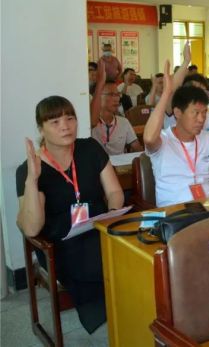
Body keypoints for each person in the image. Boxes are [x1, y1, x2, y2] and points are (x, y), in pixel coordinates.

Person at [16, 96, 124, 333]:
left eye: (70, 118)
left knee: (130, 253)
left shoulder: (90, 149)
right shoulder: (30, 168)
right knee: (108, 264)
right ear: (41, 129)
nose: (65, 126)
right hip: (62, 242)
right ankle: (120, 311)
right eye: (54, 122)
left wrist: (113, 214)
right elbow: (32, 229)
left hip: (99, 228)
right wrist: (32, 180)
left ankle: (131, 308)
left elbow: (115, 191)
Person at [143, 61, 209, 207]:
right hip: (176, 213)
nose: (201, 119)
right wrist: (166, 93)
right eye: (196, 113)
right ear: (177, 113)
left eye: (204, 113)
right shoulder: (163, 141)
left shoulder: (208, 139)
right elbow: (148, 138)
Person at [90, 76, 143, 155]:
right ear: (97, 97)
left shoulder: (123, 122)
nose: (116, 99)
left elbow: (137, 147)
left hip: (120, 166)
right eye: (111, 94)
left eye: (118, 94)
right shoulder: (90, 124)